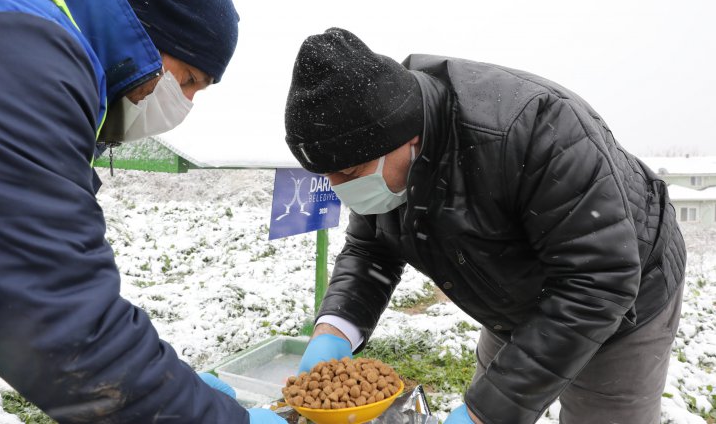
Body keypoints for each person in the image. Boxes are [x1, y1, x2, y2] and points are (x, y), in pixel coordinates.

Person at [0, 0, 283, 423]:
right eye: (187, 79)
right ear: (144, 31)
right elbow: (68, 330)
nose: (184, 103)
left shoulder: (7, 25)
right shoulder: (20, 55)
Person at [285, 28, 687, 424]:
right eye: (327, 177)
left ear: (407, 139)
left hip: (624, 290)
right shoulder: (382, 148)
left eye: (349, 173)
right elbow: (370, 249)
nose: (340, 189)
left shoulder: (534, 129)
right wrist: (335, 329)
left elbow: (597, 280)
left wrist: (485, 413)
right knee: (500, 393)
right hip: (509, 287)